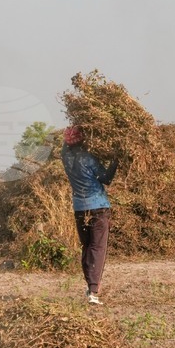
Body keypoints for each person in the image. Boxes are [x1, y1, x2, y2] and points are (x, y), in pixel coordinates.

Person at [61, 126, 119, 306]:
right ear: (83, 140)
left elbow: (65, 145)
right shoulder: (88, 158)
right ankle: (93, 290)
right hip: (98, 208)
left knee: (87, 246)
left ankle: (89, 286)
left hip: (79, 209)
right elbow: (106, 178)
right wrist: (116, 160)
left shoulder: (65, 157)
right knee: (97, 247)